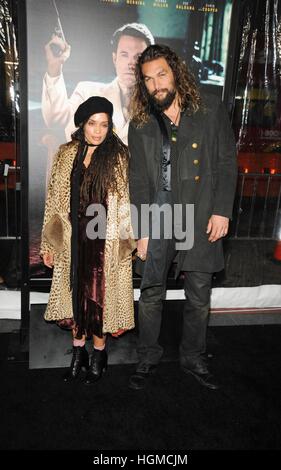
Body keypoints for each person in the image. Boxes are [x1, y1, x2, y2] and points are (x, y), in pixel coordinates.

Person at [128, 45, 237, 391]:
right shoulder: (141, 123)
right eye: (148, 79)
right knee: (151, 291)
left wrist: (222, 210)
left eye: (161, 74)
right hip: (159, 214)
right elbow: (138, 180)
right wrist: (142, 229)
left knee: (199, 291)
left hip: (202, 212)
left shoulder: (209, 108)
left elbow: (226, 162)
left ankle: (193, 356)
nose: (156, 84)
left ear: (175, 72)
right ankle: (147, 356)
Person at [40, 96, 135, 384]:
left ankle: (99, 354)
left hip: (104, 241)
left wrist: (124, 245)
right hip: (72, 240)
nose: (98, 130)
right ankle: (78, 354)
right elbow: (54, 201)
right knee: (74, 299)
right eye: (92, 123)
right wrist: (49, 244)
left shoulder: (118, 156)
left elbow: (125, 203)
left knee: (99, 301)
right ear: (82, 123)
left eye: (104, 124)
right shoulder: (66, 153)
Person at [41, 23, 154, 144]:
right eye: (124, 55)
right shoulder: (87, 92)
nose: (131, 63)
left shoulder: (158, 108)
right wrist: (54, 67)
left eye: (138, 57)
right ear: (114, 59)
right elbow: (56, 120)